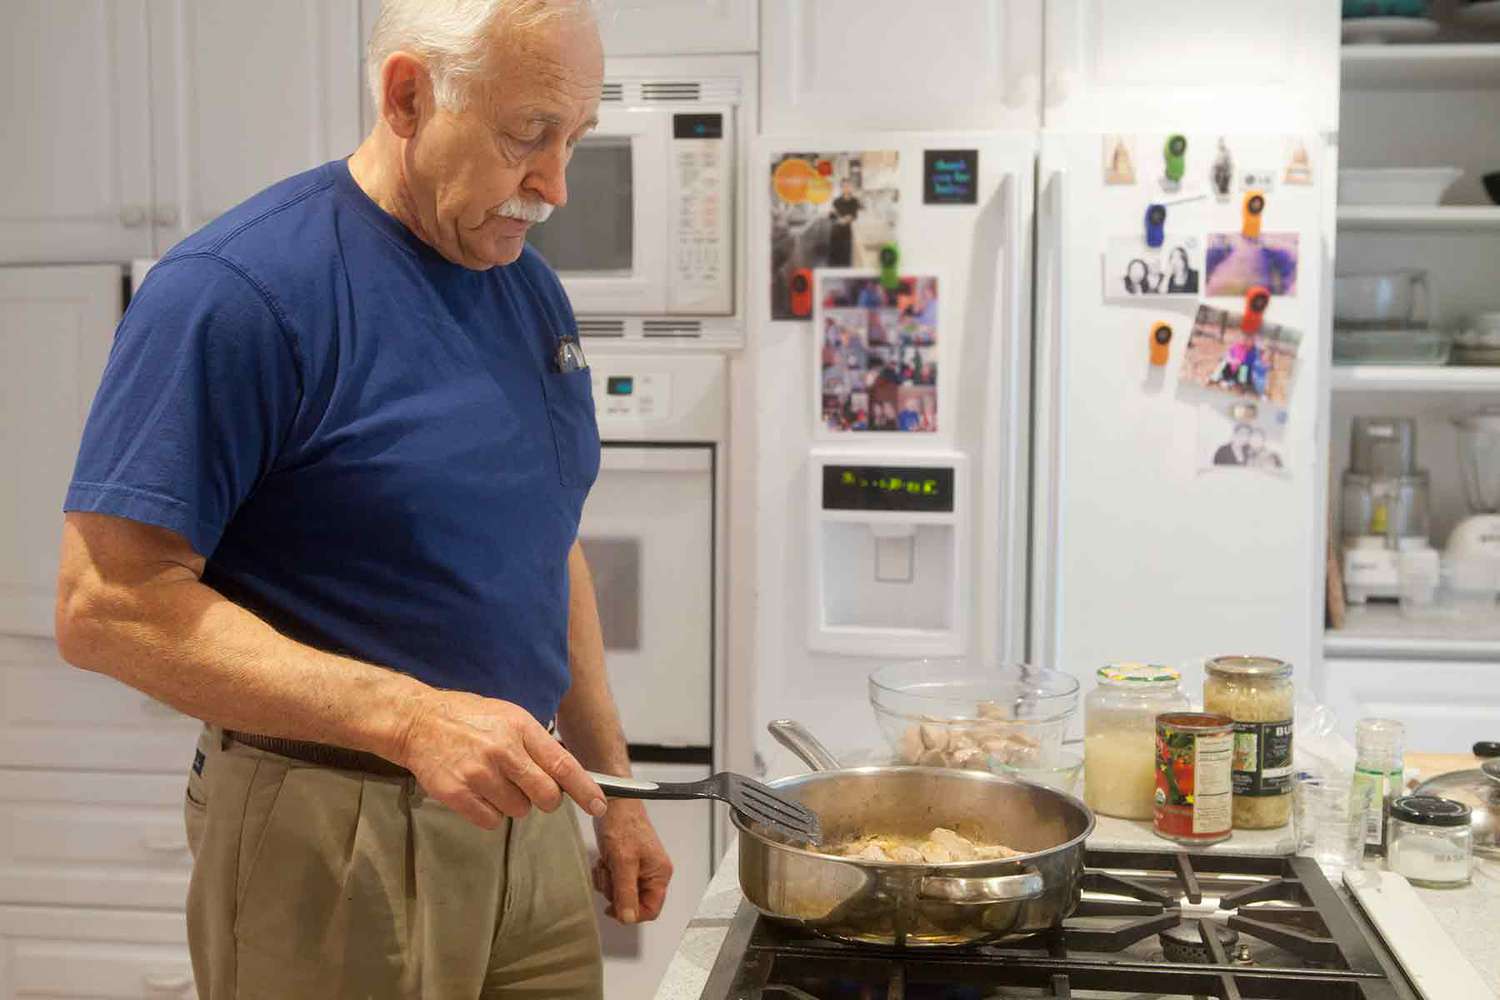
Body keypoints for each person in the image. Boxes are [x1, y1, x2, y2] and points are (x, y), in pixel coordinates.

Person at [52, 3, 672, 997]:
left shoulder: (528, 291)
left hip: (533, 826)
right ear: (409, 96)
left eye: (574, 140)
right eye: (528, 135)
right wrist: (411, 720)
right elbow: (105, 606)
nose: (555, 185)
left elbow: (546, 545)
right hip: (335, 837)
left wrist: (616, 789)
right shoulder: (237, 293)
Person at [828, 177, 861, 267]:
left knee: (847, 260)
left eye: (848, 186)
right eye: (844, 186)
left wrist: (848, 218)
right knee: (836, 261)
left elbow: (855, 215)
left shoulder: (855, 201)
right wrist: (832, 214)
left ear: (851, 187)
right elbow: (831, 217)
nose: (846, 188)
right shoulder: (836, 201)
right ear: (841, 188)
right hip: (837, 234)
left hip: (849, 234)